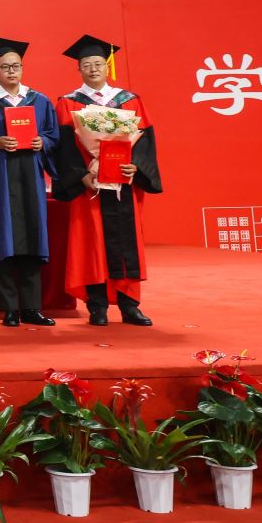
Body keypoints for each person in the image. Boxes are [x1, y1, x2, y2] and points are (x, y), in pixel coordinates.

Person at [53, 35, 161, 327]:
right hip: (90, 186)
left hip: (122, 184)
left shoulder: (130, 100)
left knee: (127, 242)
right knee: (92, 245)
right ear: (78, 69)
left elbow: (144, 141)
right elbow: (63, 147)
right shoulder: (68, 102)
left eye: (98, 63)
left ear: (107, 66)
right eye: (87, 64)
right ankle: (97, 306)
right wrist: (81, 175)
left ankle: (130, 305)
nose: (93, 69)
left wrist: (135, 167)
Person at [0, 36, 60, 327]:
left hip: (30, 176)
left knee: (33, 237)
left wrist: (42, 142)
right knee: (3, 238)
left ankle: (31, 307)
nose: (11, 71)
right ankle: (9, 308)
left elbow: (54, 137)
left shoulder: (40, 101)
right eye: (5, 67)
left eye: (16, 66)